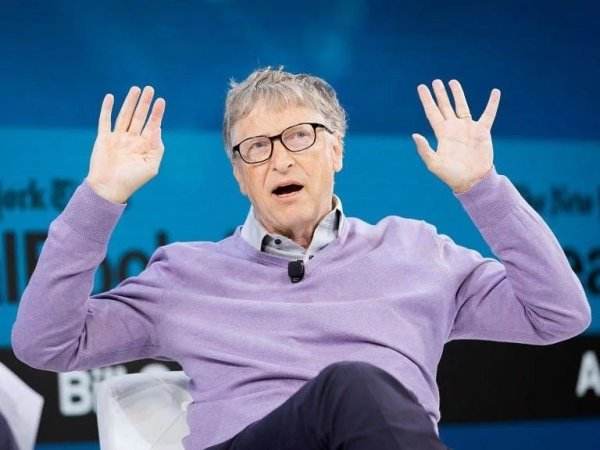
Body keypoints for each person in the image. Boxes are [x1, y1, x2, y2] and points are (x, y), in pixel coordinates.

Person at [11, 67, 591, 450]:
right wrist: (100, 197)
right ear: (239, 176)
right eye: (255, 148)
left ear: (337, 150)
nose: (280, 160)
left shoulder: (418, 252)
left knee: (358, 393)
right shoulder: (184, 275)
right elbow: (46, 344)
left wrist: (482, 188)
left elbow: (559, 314)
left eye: (300, 136)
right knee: (352, 386)